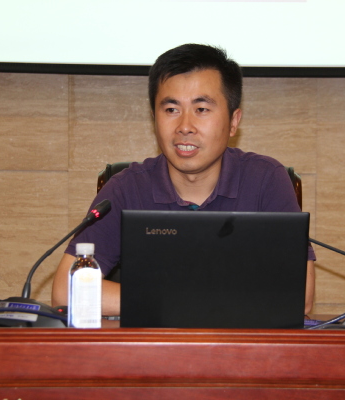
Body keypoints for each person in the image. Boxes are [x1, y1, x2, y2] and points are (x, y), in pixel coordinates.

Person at [51, 43, 316, 315]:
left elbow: (299, 296)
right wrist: (185, 300)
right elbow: (65, 291)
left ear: (234, 121)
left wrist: (171, 300)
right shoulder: (127, 188)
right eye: (171, 110)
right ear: (154, 118)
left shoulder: (265, 181)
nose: (185, 127)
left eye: (201, 109)